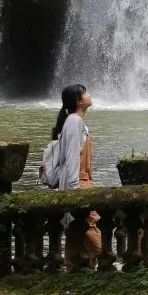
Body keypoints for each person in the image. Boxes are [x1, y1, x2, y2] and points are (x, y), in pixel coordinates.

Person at [51, 84, 101, 268]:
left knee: (79, 232)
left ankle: (76, 272)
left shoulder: (77, 121)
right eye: (86, 92)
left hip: (83, 181)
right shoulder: (74, 122)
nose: (90, 94)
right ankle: (78, 269)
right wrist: (74, 192)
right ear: (79, 101)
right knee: (89, 229)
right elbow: (72, 158)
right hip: (78, 183)